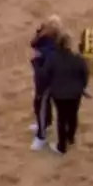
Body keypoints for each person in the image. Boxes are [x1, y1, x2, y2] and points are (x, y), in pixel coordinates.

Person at [37, 33, 90, 155]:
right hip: (75, 94)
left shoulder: (53, 58)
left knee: (61, 119)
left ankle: (61, 147)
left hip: (59, 95)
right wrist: (82, 87)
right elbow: (85, 75)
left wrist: (37, 63)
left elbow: (44, 73)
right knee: (73, 116)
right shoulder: (78, 59)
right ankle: (70, 138)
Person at [28, 16, 61, 150]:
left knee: (41, 106)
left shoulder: (52, 50)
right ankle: (45, 123)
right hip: (40, 81)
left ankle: (41, 136)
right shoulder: (42, 41)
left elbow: (45, 71)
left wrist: (35, 63)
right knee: (39, 105)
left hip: (47, 83)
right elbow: (32, 43)